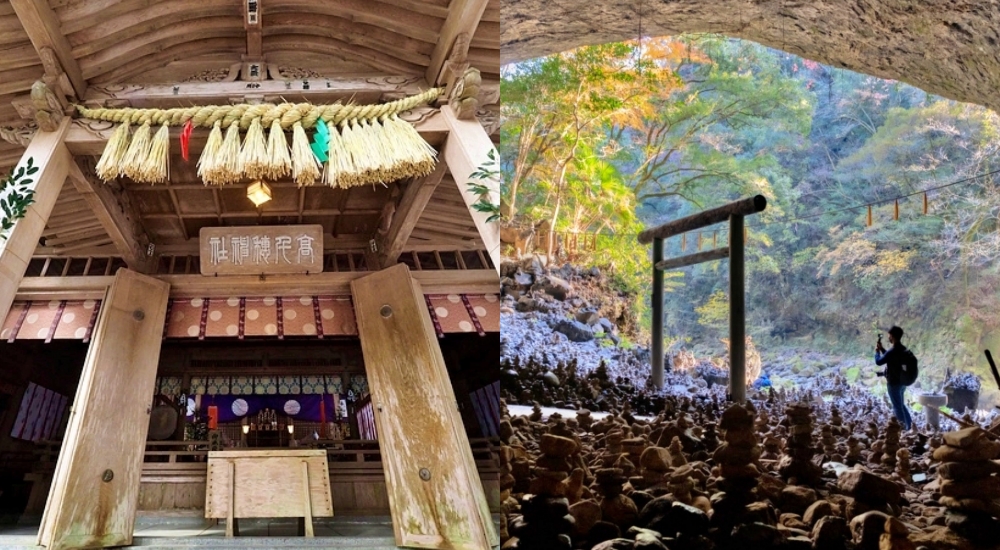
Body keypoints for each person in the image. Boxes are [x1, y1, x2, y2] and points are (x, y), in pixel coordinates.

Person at [875, 326, 913, 430]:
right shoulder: (902, 349)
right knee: (901, 405)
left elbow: (879, 362)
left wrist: (877, 352)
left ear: (892, 336)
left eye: (889, 336)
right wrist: (882, 349)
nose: (888, 338)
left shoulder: (893, 351)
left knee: (897, 407)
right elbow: (890, 357)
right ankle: (910, 426)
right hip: (903, 382)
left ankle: (903, 429)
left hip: (894, 383)